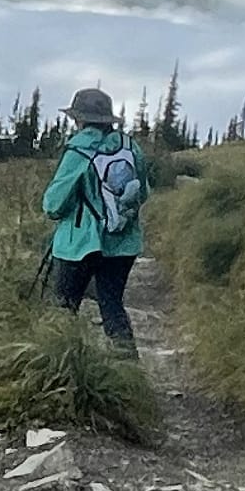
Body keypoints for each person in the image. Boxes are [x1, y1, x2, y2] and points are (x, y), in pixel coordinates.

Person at [40, 86, 149, 352]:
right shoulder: (129, 146)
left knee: (64, 310)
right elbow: (142, 192)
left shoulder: (78, 151)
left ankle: (62, 369)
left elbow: (53, 205)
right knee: (112, 306)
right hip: (123, 242)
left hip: (78, 244)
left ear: (79, 119)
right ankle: (129, 375)